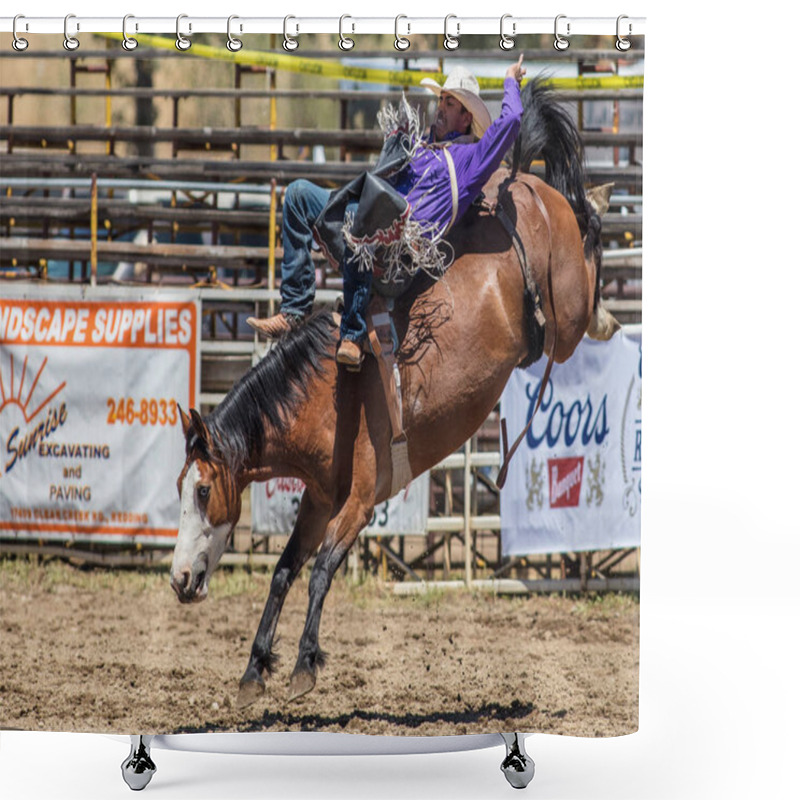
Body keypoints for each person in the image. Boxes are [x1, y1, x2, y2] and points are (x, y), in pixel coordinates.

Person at [248, 56, 527, 369]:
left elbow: (513, 119)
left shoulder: (470, 159)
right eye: (441, 99)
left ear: (466, 118)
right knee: (299, 195)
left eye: (450, 103)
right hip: (371, 229)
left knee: (361, 213)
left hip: (401, 256)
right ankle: (294, 312)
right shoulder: (418, 145)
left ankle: (353, 334)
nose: (440, 106)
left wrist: (510, 79)